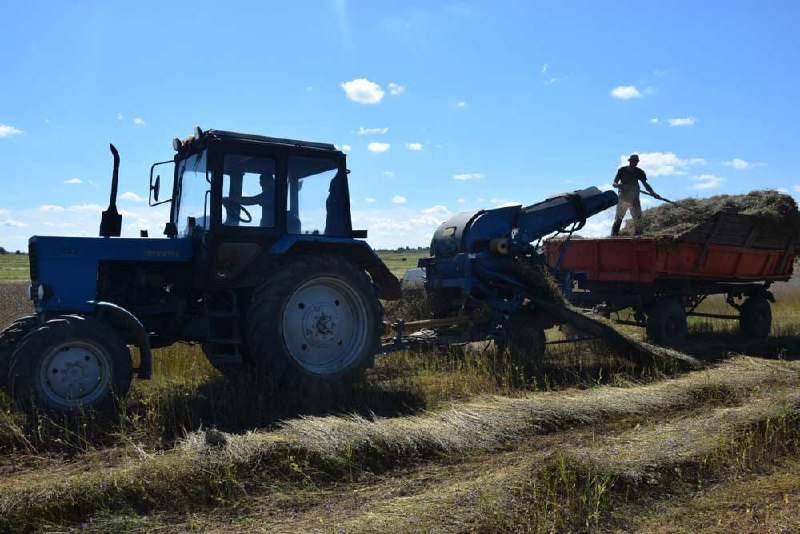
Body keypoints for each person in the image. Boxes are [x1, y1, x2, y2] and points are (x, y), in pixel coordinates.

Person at [611, 154, 660, 236]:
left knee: (637, 217)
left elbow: (645, 184)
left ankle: (638, 235)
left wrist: (653, 193)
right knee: (619, 217)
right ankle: (614, 235)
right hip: (623, 196)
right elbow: (614, 184)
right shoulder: (622, 170)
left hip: (634, 197)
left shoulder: (640, 172)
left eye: (636, 161)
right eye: (633, 161)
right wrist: (622, 186)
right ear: (629, 161)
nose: (635, 162)